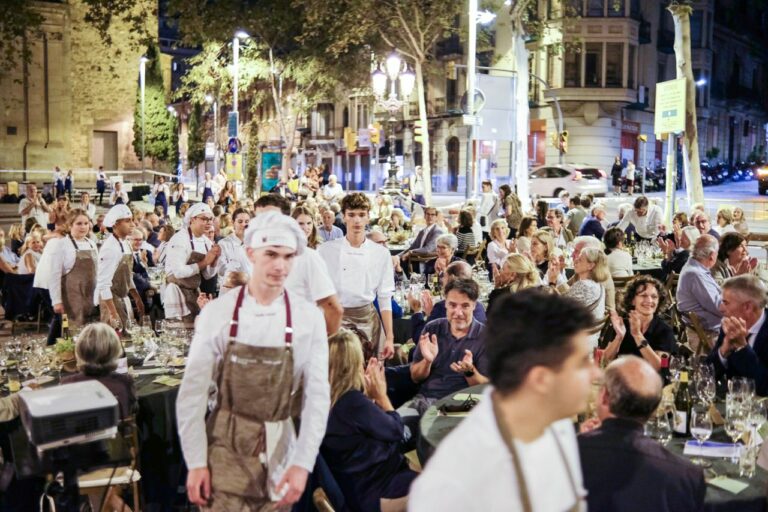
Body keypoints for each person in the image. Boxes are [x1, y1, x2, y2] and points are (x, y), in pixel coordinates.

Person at [177, 211, 330, 510]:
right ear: (250, 253)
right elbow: (192, 395)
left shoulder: (308, 317)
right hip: (223, 450)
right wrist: (196, 461)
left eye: (288, 256)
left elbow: (318, 397)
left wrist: (302, 464)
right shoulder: (217, 314)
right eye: (271, 254)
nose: (279, 265)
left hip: (279, 452)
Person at [409, 289, 598, 511]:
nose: (595, 373)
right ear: (540, 379)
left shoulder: (558, 425)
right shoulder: (453, 484)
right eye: (581, 363)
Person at [578, 357, 705, 512]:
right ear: (653, 410)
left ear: (604, 396)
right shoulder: (687, 476)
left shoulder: (567, 456)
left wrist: (581, 441)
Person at [321, 329, 417, 512]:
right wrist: (381, 396)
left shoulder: (329, 402)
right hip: (379, 492)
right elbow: (397, 431)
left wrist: (368, 397)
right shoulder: (351, 402)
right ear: (353, 363)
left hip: (358, 490)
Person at [319, 193, 395, 359]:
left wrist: (389, 337)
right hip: (337, 321)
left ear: (368, 217)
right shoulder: (325, 251)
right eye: (351, 215)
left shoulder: (381, 253)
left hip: (369, 321)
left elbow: (384, 297)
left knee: (370, 375)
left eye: (361, 215)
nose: (357, 221)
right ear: (344, 217)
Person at [400, 278, 489, 421]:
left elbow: (486, 389)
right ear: (445, 304)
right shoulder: (432, 328)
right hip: (425, 401)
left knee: (433, 427)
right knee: (394, 425)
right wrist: (427, 362)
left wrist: (469, 371)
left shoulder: (486, 336)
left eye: (465, 306)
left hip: (463, 406)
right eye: (452, 305)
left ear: (474, 306)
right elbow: (415, 377)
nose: (458, 312)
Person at [257, 195, 343, 335]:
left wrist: (325, 342)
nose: (305, 228)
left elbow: (333, 305)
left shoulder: (313, 254)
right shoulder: (261, 254)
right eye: (301, 224)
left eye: (308, 223)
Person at [707, 275, 768, 395]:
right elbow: (707, 375)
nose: (720, 308)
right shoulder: (731, 325)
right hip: (732, 405)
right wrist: (723, 351)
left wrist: (742, 348)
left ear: (747, 307)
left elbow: (764, 388)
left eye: (726, 302)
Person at [163, 203, 221, 326]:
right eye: (204, 219)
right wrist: (205, 262)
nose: (209, 222)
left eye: (210, 219)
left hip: (194, 291)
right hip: (176, 290)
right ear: (192, 220)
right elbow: (178, 272)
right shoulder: (180, 239)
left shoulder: (206, 242)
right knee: (177, 331)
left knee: (193, 330)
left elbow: (207, 275)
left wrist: (214, 261)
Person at [603, 276, 676, 370]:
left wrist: (637, 335)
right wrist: (619, 337)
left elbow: (660, 366)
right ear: (632, 300)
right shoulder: (622, 325)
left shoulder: (664, 331)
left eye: (654, 297)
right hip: (624, 379)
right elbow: (604, 361)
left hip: (653, 382)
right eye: (644, 295)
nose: (649, 301)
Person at [408, 261, 487, 343]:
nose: (442, 279)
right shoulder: (479, 306)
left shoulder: (442, 307)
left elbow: (420, 338)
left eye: (444, 276)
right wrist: (430, 315)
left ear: (450, 278)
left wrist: (417, 311)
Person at [95, 205, 144, 332]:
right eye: (128, 221)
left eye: (132, 220)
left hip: (123, 297)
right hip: (110, 300)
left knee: (128, 339)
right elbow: (103, 285)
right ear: (115, 224)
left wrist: (136, 297)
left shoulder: (126, 243)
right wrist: (112, 313)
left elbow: (127, 275)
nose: (132, 224)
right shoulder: (110, 248)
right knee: (115, 340)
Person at [47, 209, 98, 328]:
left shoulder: (92, 244)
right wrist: (56, 301)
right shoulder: (62, 245)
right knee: (71, 332)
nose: (83, 227)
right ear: (70, 225)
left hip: (90, 296)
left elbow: (97, 271)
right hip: (71, 299)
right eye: (79, 223)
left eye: (86, 223)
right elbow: (54, 275)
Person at [548, 246, 608, 346]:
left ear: (590, 266)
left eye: (580, 259)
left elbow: (555, 306)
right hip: (589, 339)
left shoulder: (585, 285)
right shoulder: (597, 285)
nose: (575, 260)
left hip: (578, 343)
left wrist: (551, 282)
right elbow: (565, 296)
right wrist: (557, 275)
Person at [676, 235, 722, 350]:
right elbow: (719, 307)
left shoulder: (694, 268)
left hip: (706, 328)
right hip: (709, 334)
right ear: (712, 256)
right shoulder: (696, 274)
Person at [216, 208, 251, 291]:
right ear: (233, 222)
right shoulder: (223, 243)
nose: (244, 224)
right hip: (231, 291)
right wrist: (235, 269)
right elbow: (221, 269)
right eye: (240, 221)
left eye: (246, 221)